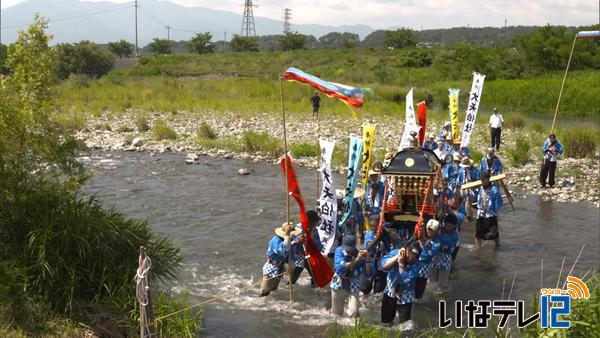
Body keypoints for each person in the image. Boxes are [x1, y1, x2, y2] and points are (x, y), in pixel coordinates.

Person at [380, 241, 422, 328]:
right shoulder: (396, 252)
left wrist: (401, 265)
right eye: (409, 255)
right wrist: (397, 257)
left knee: (405, 327)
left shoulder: (417, 265)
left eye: (413, 257)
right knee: (385, 324)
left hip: (405, 296)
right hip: (390, 293)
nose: (410, 258)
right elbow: (383, 265)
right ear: (406, 250)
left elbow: (404, 280)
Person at [331, 235, 371, 318]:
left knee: (354, 313)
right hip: (338, 283)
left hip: (353, 284)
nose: (347, 251)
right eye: (346, 249)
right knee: (336, 314)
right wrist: (357, 259)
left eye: (350, 249)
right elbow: (341, 268)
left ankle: (352, 328)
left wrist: (367, 260)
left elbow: (368, 274)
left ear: (354, 246)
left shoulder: (359, 253)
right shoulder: (339, 250)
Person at [260, 222, 301, 297]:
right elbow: (282, 250)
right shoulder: (275, 240)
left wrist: (291, 267)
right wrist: (287, 235)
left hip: (279, 268)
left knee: (274, 289)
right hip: (271, 267)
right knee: (265, 291)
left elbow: (291, 255)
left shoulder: (289, 242)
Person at [429, 214, 459, 293]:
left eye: (450, 225)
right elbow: (429, 237)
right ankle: (433, 294)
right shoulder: (437, 230)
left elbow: (448, 243)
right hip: (434, 257)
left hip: (446, 258)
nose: (447, 226)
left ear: (453, 226)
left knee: (443, 283)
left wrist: (437, 235)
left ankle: (442, 295)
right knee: (432, 281)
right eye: (446, 224)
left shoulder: (455, 235)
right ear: (443, 223)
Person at [475, 172, 503, 249]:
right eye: (481, 180)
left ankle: (498, 246)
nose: (482, 181)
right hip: (481, 213)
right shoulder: (480, 188)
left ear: (488, 180)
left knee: (494, 234)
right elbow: (478, 198)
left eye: (483, 180)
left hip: (490, 213)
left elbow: (499, 202)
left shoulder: (494, 190)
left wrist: (496, 212)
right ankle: (478, 248)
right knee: (478, 234)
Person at [415, 219, 441, 299]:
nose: (429, 232)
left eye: (432, 230)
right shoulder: (419, 238)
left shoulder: (437, 243)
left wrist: (423, 243)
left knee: (419, 294)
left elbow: (429, 255)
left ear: (436, 231)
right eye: (428, 230)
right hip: (414, 265)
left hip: (424, 268)